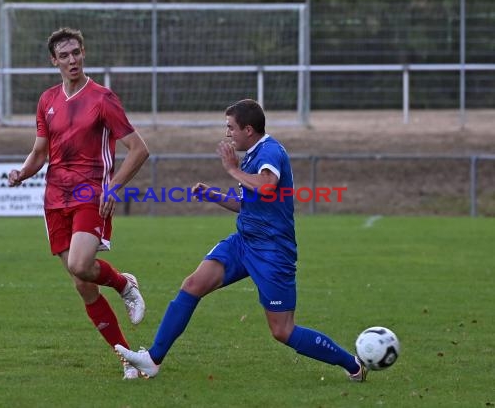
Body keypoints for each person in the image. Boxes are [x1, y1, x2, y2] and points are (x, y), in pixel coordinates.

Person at [116, 99, 367, 381]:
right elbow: (249, 203)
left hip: (272, 251)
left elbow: (268, 185)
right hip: (244, 242)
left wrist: (232, 170)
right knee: (193, 284)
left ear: (249, 129)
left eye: (231, 128)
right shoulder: (253, 153)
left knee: (282, 330)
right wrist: (214, 195)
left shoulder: (270, 151)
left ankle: (353, 365)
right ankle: (153, 359)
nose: (227, 134)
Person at [8, 28, 149, 380]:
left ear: (83, 53)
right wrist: (23, 172)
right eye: (65, 55)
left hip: (90, 193)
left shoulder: (103, 99)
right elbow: (40, 152)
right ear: (54, 61)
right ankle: (128, 358)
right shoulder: (47, 100)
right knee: (82, 283)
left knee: (81, 263)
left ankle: (122, 285)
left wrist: (113, 188)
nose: (72, 60)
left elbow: (139, 149)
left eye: (76, 53)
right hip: (55, 199)